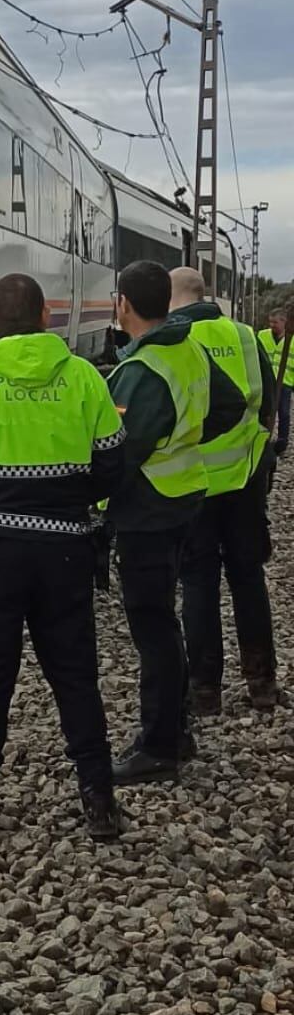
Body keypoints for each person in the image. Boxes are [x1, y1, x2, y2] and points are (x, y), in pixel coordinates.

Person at [0, 272, 126, 841]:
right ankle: (100, 801)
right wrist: (75, 501)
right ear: (46, 319)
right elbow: (112, 461)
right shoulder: (84, 378)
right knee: (75, 677)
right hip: (64, 550)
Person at [104, 261, 245, 785]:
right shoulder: (189, 349)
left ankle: (160, 743)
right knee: (166, 618)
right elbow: (229, 405)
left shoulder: (141, 372)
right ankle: (178, 729)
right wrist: (186, 435)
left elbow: (121, 455)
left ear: (123, 304)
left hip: (149, 511)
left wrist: (92, 505)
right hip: (187, 498)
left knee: (154, 624)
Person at [170, 267, 279, 712]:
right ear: (207, 295)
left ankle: (205, 689)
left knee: (198, 583)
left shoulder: (173, 343)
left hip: (191, 482)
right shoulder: (246, 338)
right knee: (248, 577)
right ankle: (262, 683)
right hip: (244, 480)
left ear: (174, 299)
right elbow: (269, 405)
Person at [257, 308, 294, 454]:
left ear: (284, 322)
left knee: (284, 413)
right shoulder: (262, 335)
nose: (272, 325)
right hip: (266, 382)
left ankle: (282, 442)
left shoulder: (292, 340)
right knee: (264, 412)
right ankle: (262, 440)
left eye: (275, 322)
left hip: (285, 383)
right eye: (270, 321)